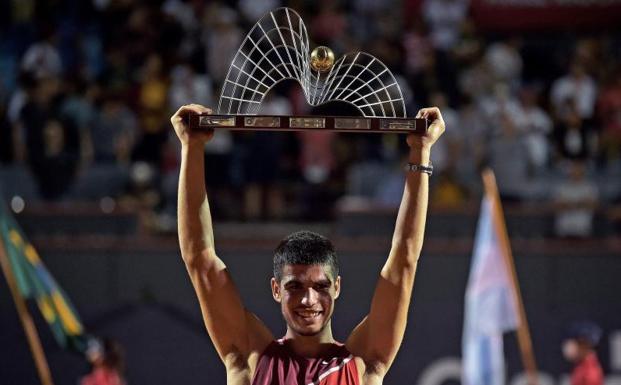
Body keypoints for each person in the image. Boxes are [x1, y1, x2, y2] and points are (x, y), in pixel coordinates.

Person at [170, 104, 445, 384]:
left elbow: (404, 260)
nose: (308, 300)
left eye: (321, 286)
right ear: (276, 289)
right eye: (295, 286)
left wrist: (420, 152)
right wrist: (191, 147)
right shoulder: (250, 361)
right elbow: (199, 258)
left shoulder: (363, 367)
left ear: (336, 287)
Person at [562, 321, 604, 385]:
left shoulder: (590, 373)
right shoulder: (582, 366)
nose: (569, 346)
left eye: (574, 342)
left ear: (584, 345)